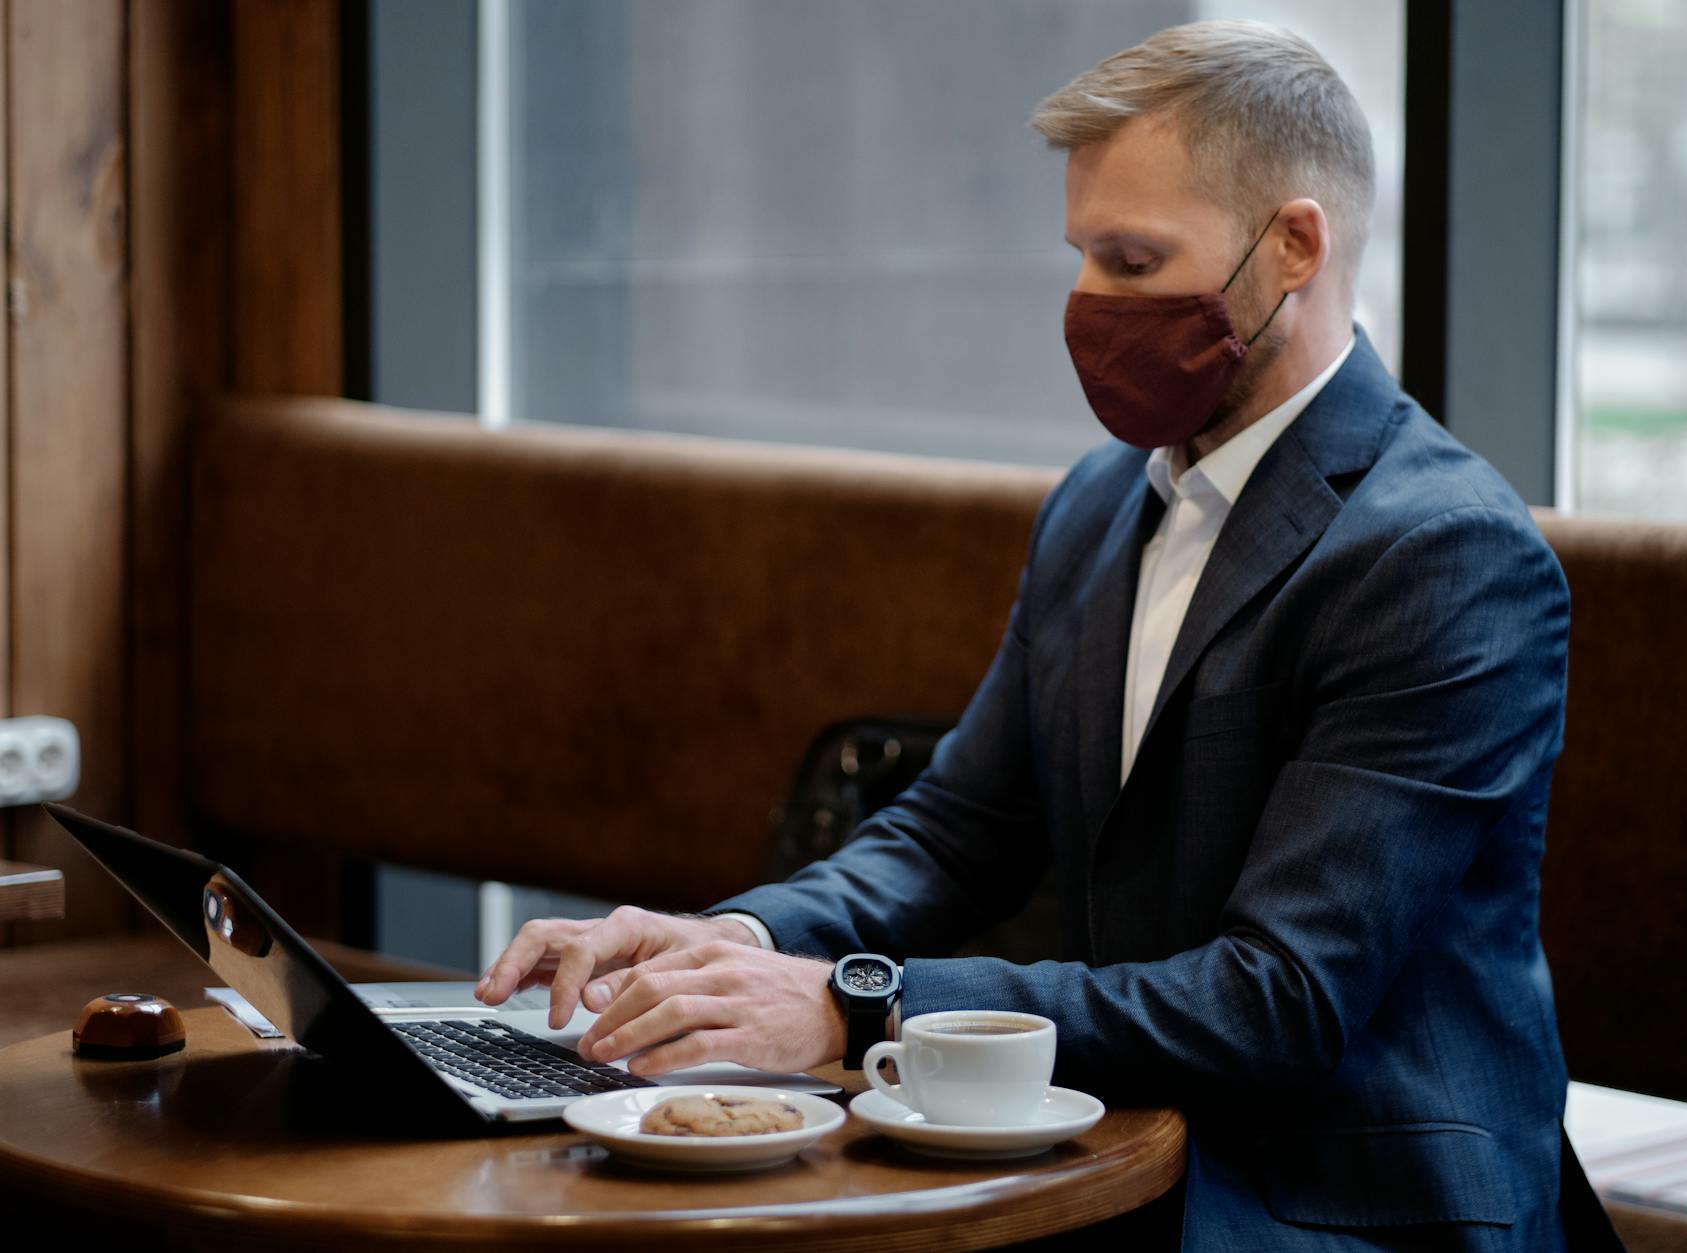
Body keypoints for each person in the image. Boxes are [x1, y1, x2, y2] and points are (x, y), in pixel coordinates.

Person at [477, 21, 1611, 1251]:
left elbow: (1280, 999)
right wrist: (733, 942)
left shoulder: (1442, 553)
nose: (1091, 307)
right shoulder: (1095, 504)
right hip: (1108, 1148)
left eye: (1133, 259)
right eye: (1080, 258)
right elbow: (954, 828)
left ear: (1292, 245)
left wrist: (853, 1008)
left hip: (1341, 1205)